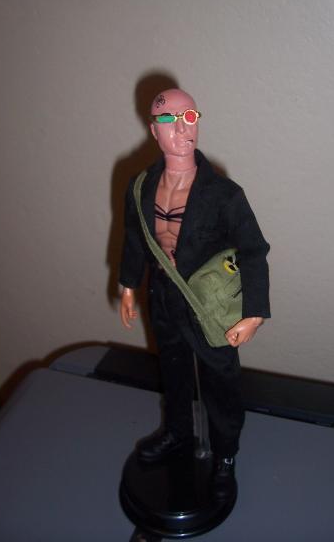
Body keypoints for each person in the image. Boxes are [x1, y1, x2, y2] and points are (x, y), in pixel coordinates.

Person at [119, 88, 270, 499]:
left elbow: (254, 251)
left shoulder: (223, 194)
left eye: (190, 117)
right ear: (154, 130)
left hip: (208, 305)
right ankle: (178, 433)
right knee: (174, 372)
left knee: (220, 381)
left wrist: (253, 312)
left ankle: (225, 455)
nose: (183, 128)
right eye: (170, 120)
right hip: (163, 298)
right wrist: (128, 284)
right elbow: (135, 238)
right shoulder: (141, 186)